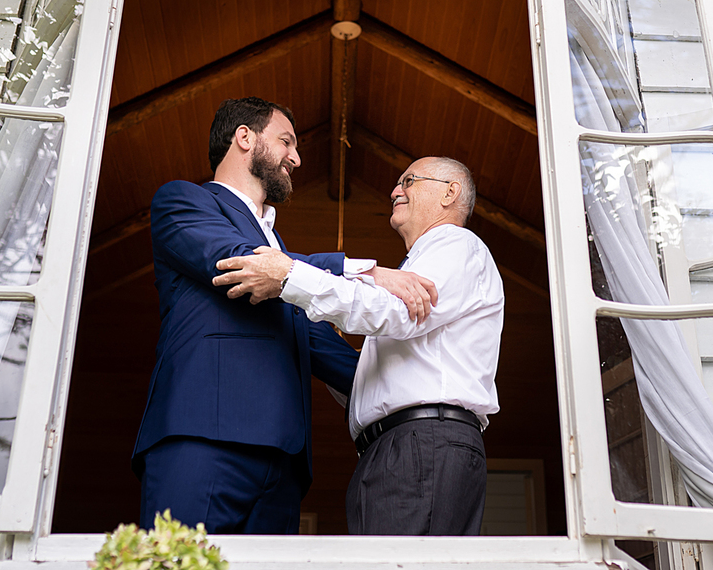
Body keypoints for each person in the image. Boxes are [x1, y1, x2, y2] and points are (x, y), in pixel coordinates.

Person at [132, 97, 435, 534]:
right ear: (244, 138)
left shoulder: (280, 248)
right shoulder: (184, 200)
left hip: (285, 465)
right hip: (202, 437)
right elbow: (237, 261)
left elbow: (317, 341)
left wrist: (425, 394)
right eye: (287, 141)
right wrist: (360, 270)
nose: (296, 157)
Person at [214, 156, 504, 536]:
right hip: (400, 449)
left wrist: (290, 277)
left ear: (451, 193)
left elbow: (397, 312)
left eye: (409, 181)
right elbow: (379, 372)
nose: (395, 190)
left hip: (421, 446)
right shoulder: (424, 259)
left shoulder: (454, 243)